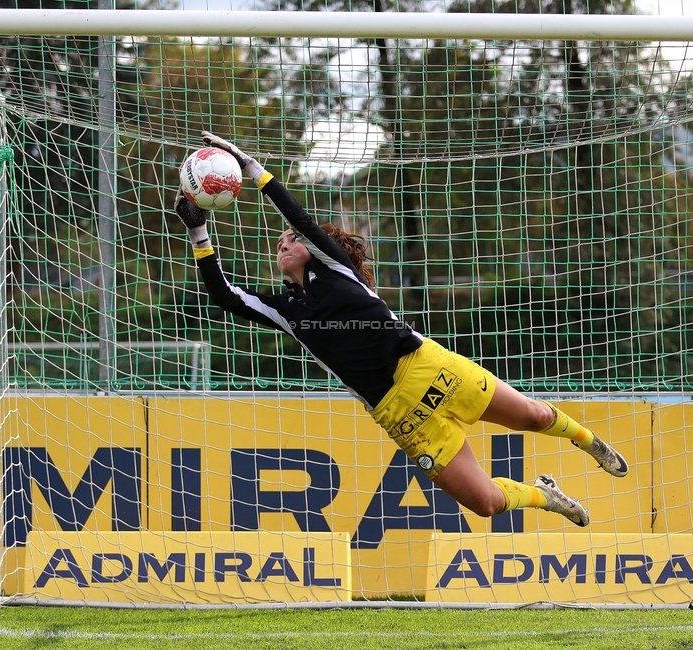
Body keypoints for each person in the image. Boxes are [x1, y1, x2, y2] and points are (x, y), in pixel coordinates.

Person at [172, 131, 629, 528]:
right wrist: (199, 233)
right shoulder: (285, 310)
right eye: (281, 242)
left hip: (428, 368)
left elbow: (302, 220)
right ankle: (545, 494)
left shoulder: (337, 269)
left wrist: (254, 170)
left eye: (292, 239)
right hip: (399, 414)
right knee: (486, 503)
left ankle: (589, 442)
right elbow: (227, 298)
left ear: (313, 249)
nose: (285, 242)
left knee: (536, 417)